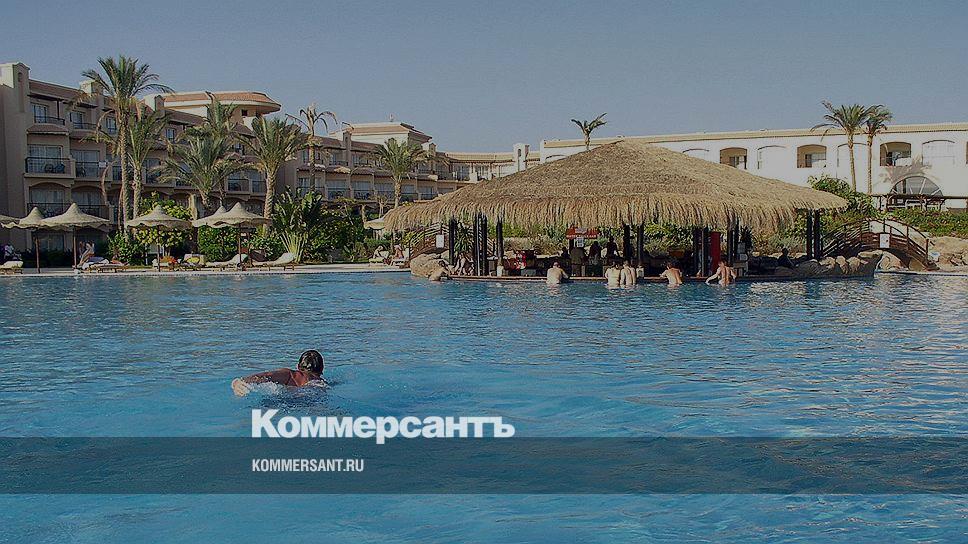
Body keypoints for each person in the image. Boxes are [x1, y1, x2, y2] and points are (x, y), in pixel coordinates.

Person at [231, 350, 325, 396]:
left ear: (298, 366)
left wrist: (239, 381)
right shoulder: (322, 383)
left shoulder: (291, 375)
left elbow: (266, 376)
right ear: (322, 369)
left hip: (289, 401)